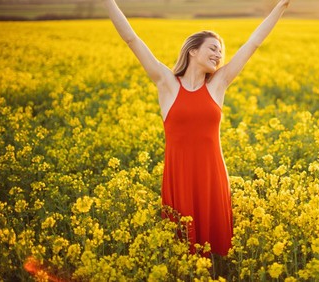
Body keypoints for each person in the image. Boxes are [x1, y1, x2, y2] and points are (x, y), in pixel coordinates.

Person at [103, 0, 290, 257]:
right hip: (179, 175)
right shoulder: (166, 83)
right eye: (213, 48)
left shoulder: (218, 84)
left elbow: (253, 43)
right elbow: (132, 39)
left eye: (221, 52)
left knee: (216, 253)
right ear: (192, 51)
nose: (218, 55)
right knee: (182, 250)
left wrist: (282, 5)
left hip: (212, 175)